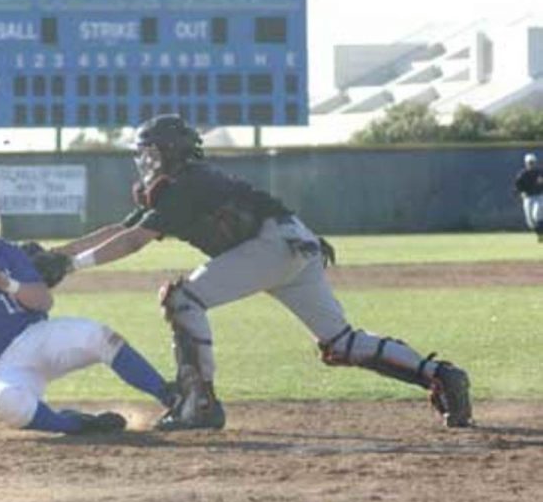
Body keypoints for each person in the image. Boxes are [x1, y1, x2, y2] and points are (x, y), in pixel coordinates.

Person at [48, 114, 473, 430]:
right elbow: (121, 230)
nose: (145, 160)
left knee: (182, 298)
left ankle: (199, 403)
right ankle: (442, 376)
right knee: (340, 343)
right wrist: (58, 253)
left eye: (151, 151)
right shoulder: (183, 182)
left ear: (171, 152)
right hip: (290, 243)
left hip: (268, 245)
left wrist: (71, 266)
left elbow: (132, 241)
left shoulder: (183, 184)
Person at [0, 181, 176, 435]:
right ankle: (78, 425)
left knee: (100, 337)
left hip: (37, 338)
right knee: (7, 406)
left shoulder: (4, 252)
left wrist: (8, 284)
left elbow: (43, 301)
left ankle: (172, 397)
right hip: (1, 367)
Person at [514, 152, 543, 242]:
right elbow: (518, 187)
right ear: (526, 163)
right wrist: (521, 193)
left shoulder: (540, 172)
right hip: (528, 198)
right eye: (529, 162)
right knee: (530, 222)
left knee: (536, 215)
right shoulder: (522, 174)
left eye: (532, 162)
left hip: (539, 196)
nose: (531, 164)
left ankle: (541, 235)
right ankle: (540, 234)